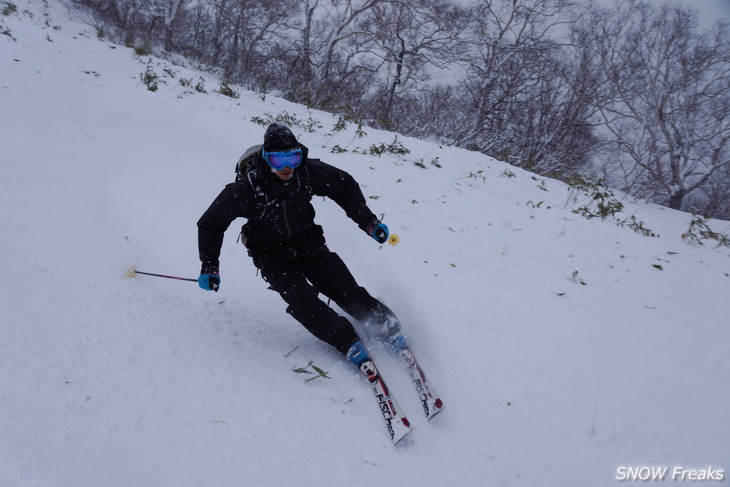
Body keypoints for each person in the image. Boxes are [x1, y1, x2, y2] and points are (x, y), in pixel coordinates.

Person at [196, 123, 406, 368]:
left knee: (345, 289)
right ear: (266, 158)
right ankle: (346, 341)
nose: (287, 167)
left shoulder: (306, 173)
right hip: (271, 256)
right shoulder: (247, 190)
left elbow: (344, 186)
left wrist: (368, 221)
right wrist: (210, 266)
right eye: (278, 160)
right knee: (303, 302)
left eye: (293, 158)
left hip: (309, 244)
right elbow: (211, 224)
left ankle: (386, 326)